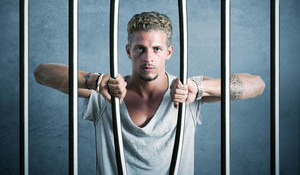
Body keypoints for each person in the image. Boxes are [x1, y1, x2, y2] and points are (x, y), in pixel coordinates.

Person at [34, 11, 265, 175]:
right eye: (140, 49)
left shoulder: (187, 90)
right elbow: (41, 73)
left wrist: (199, 88)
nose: (148, 58)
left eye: (156, 49)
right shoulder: (107, 92)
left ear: (169, 52)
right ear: (128, 51)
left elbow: (257, 84)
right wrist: (95, 81)